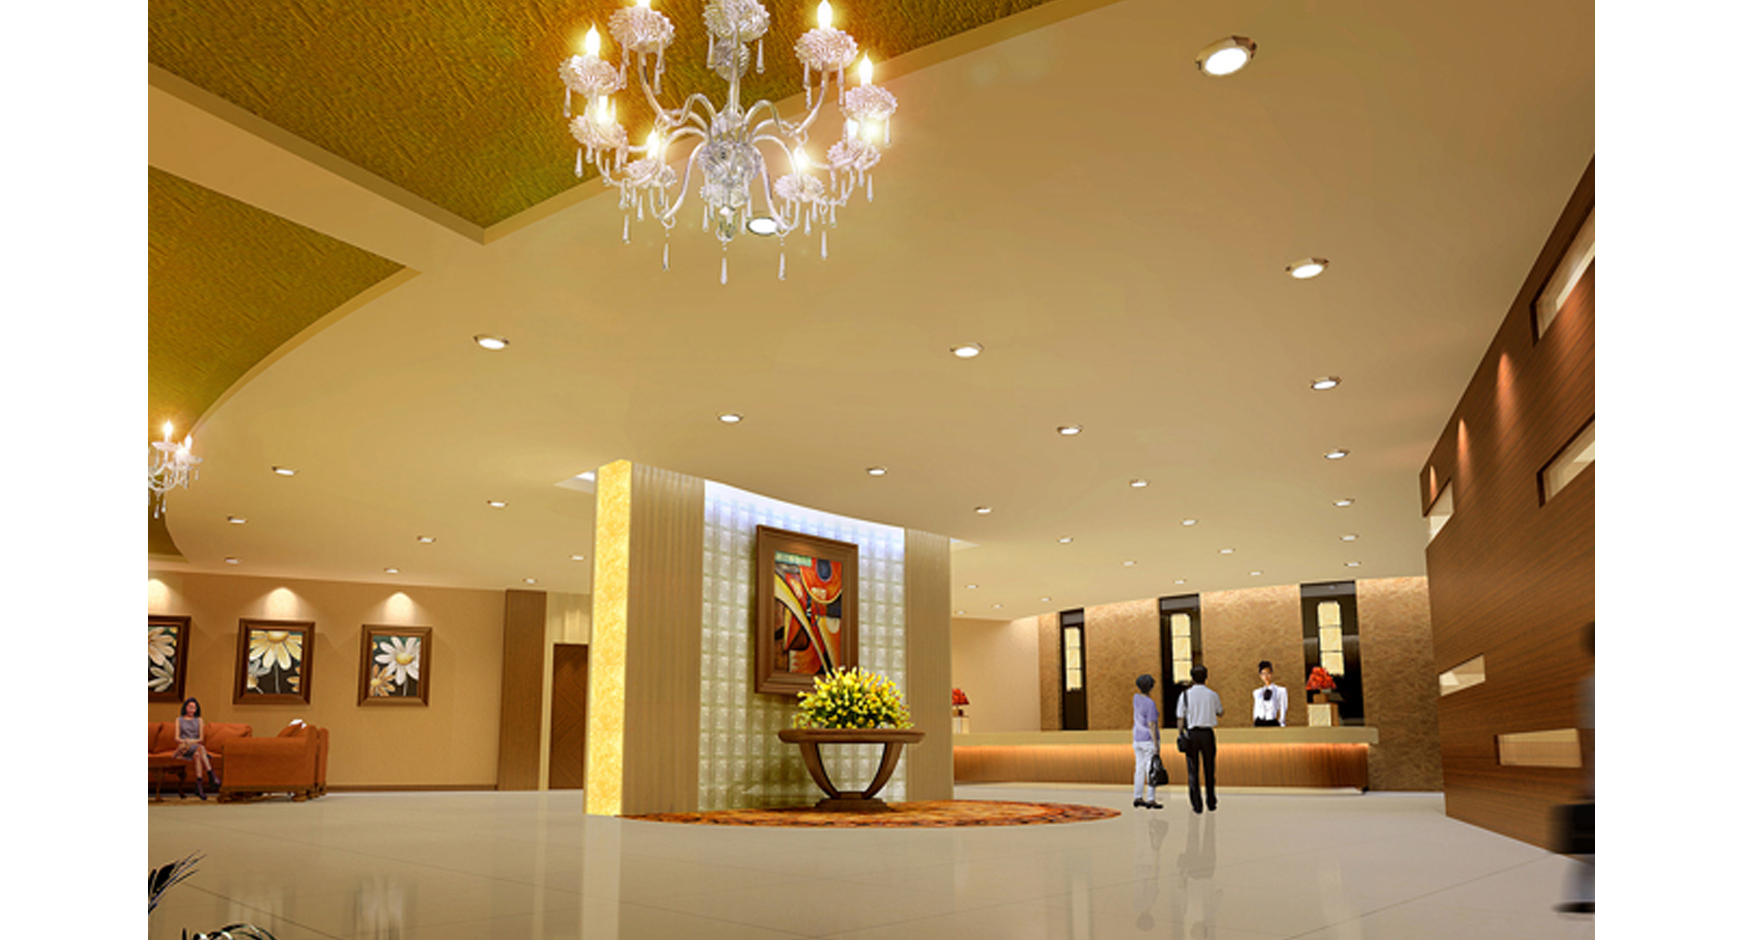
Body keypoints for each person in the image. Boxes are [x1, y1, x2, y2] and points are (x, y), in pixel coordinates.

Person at [1176, 665, 1223, 813]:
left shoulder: (1185, 695)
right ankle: (1211, 801)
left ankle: (1197, 804)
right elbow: (1220, 712)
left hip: (1192, 735)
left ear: (1192, 678)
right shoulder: (1212, 695)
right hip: (1207, 734)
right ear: (1206, 677)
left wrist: (1180, 734)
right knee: (1210, 769)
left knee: (1193, 770)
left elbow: (1180, 718)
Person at [174, 697, 218, 799]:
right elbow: (177, 738)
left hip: (195, 746)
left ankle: (199, 787)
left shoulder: (199, 720)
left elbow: (201, 738)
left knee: (198, 755)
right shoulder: (179, 720)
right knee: (201, 749)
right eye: (190, 707)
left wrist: (191, 741)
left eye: (194, 708)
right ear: (185, 707)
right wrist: (186, 741)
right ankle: (211, 776)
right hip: (184, 747)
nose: (192, 710)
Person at [1132, 674, 1163, 809]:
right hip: (1148, 740)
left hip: (1137, 738)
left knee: (1139, 769)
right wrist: (1156, 745)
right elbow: (1151, 724)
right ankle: (1151, 799)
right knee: (1151, 769)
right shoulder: (1150, 704)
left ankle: (1138, 796)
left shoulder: (1136, 698)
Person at [1252, 660, 1288, 727]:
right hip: (1259, 722)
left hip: (1272, 722)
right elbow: (1256, 708)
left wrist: (1282, 723)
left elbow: (1283, 708)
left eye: (1268, 673)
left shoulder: (1281, 691)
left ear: (1271, 673)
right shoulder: (1257, 692)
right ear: (1260, 675)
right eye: (1263, 674)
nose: (1266, 676)